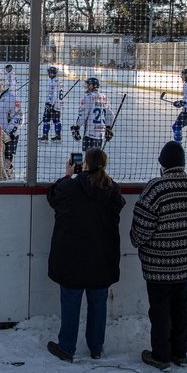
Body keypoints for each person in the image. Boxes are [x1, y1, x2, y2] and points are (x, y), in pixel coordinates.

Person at [130, 141, 187, 371]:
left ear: (162, 163)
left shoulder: (157, 188)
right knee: (181, 306)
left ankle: (161, 355)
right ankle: (180, 353)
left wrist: (136, 239)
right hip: (184, 262)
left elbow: (141, 228)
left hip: (158, 265)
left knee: (160, 309)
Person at [46, 147, 126, 362]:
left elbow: (52, 196)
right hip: (102, 259)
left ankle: (66, 347)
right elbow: (117, 204)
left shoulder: (70, 187)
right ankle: (96, 347)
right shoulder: (112, 189)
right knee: (98, 302)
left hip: (72, 258)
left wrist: (68, 175)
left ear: (85, 165)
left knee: (71, 301)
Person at [0, 75, 22, 179]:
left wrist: (10, 132)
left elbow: (19, 116)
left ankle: (9, 176)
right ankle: (2, 177)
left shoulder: (12, 98)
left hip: (9, 134)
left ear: (4, 85)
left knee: (7, 158)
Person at [71, 77, 114, 152]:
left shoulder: (87, 97)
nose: (87, 86)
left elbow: (83, 114)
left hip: (90, 133)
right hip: (100, 133)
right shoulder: (104, 97)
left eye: (88, 84)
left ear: (94, 86)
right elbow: (109, 114)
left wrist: (77, 126)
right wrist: (108, 127)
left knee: (88, 156)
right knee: (96, 155)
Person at [40, 66, 65, 141]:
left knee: (46, 120)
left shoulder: (53, 82)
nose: (48, 74)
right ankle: (58, 136)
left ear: (51, 73)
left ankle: (45, 136)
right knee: (56, 121)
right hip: (58, 104)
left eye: (49, 72)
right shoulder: (59, 80)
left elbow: (53, 94)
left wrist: (50, 104)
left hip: (52, 104)